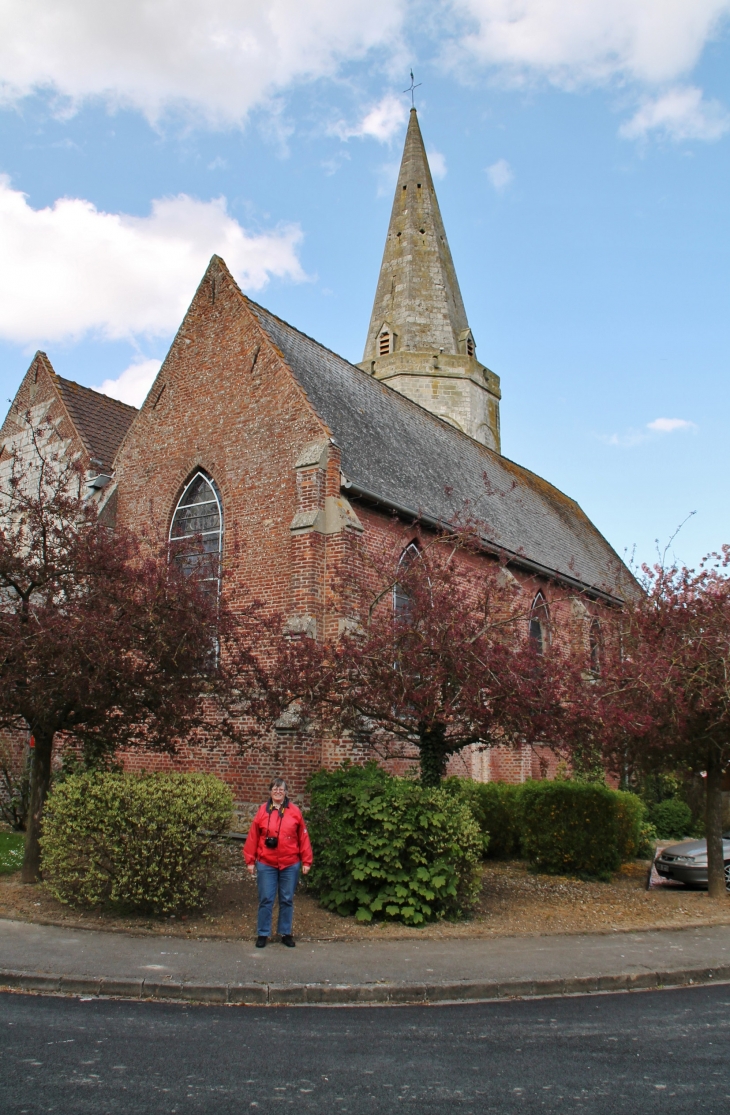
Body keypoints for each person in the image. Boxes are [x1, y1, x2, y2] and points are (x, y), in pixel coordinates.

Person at [243, 777, 313, 948]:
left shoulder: (295, 812)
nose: (278, 791)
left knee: (287, 899)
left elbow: (303, 837)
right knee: (266, 898)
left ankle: (285, 932)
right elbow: (253, 837)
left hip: (290, 863)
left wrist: (307, 860)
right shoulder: (262, 811)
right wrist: (250, 861)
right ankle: (263, 933)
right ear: (270, 792)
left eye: (281, 789)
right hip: (267, 862)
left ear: (286, 792)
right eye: (275, 788)